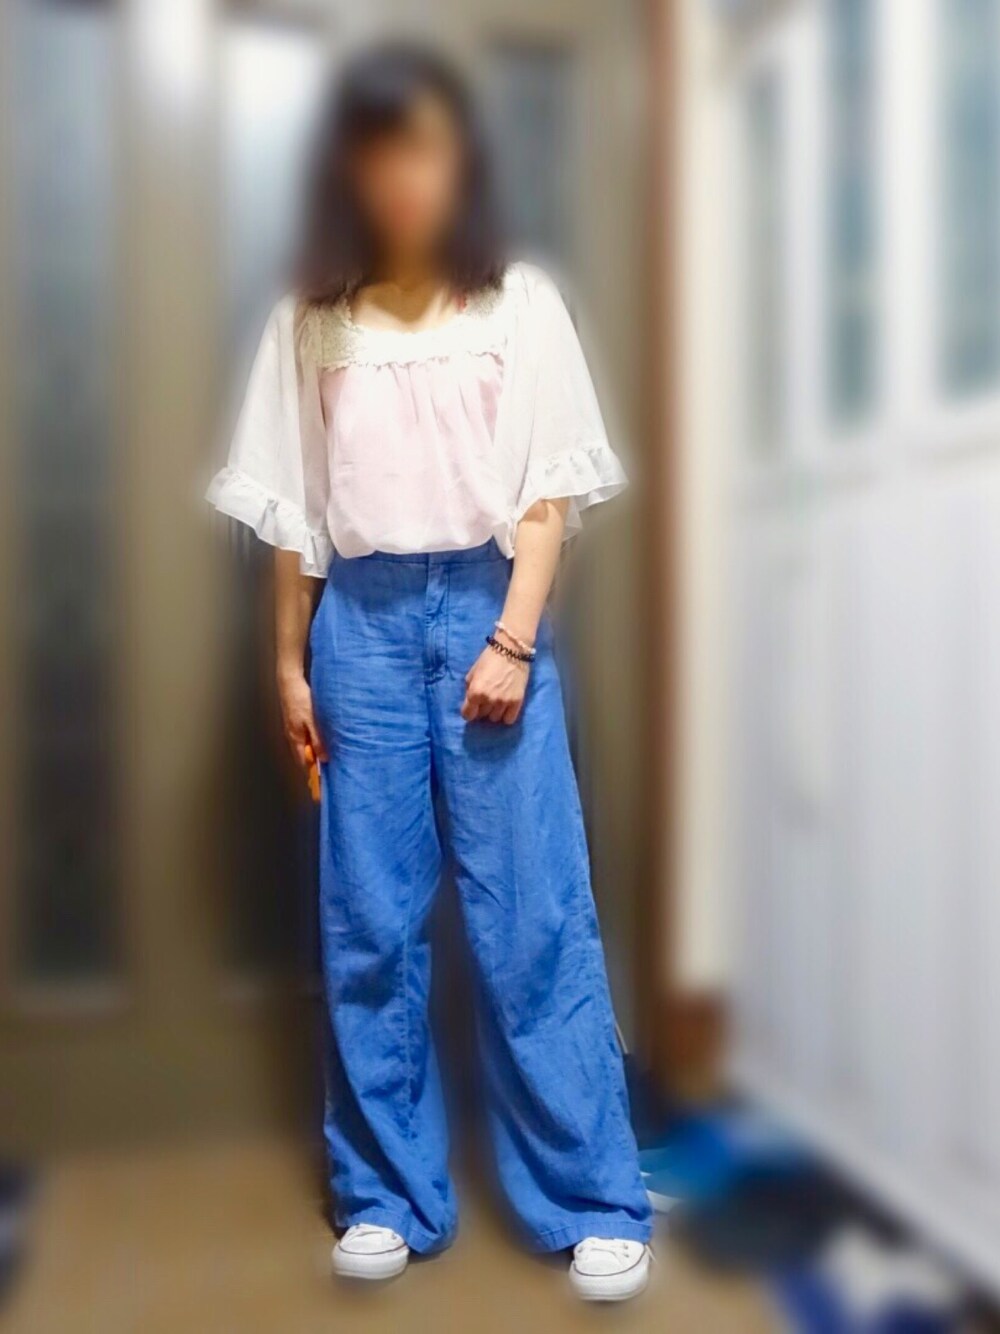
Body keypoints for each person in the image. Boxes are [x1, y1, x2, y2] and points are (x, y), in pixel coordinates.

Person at [207, 41, 652, 1303]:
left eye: (428, 150)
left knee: (532, 916)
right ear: (350, 170)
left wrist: (511, 637)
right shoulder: (311, 321)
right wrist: (287, 666)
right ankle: (385, 1190)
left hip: (487, 607)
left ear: (460, 164)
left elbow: (548, 494)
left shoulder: (519, 303)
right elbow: (294, 518)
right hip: (356, 627)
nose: (406, 176)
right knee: (368, 922)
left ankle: (591, 1194)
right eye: (382, 153)